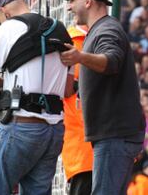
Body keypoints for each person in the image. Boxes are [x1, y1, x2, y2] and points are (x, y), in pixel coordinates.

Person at [0, 0, 74, 194]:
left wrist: (0, 80)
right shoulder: (61, 31)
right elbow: (66, 90)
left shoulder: (9, 27)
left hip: (21, 126)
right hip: (53, 132)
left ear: (4, 12)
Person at [59, 0, 146, 195]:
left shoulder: (107, 29)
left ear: (87, 0)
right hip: (114, 135)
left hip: (114, 136)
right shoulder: (99, 30)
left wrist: (79, 56)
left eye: (72, 0)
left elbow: (112, 60)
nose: (69, 6)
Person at [61, 24, 93, 195]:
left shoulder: (110, 38)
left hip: (105, 149)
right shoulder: (70, 42)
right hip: (82, 149)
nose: (69, 6)